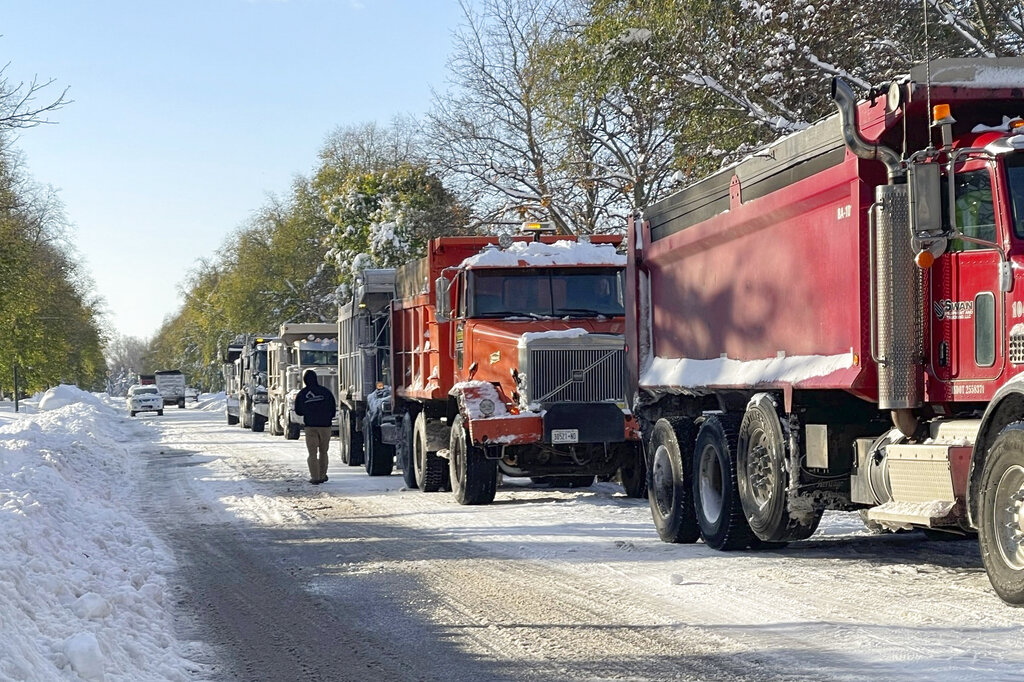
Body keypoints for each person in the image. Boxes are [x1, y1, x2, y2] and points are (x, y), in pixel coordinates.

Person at [294, 369, 336, 484]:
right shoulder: (325, 392)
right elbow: (333, 409)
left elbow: (298, 411)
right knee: (324, 452)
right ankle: (322, 475)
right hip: (325, 426)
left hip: (310, 426)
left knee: (312, 453)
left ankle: (315, 477)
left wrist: (308, 412)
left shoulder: (302, 394)